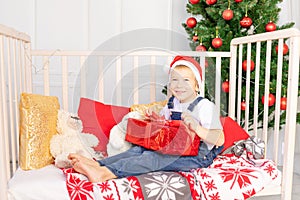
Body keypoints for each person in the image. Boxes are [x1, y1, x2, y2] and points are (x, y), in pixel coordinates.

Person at [68, 55, 225, 183]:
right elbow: (167, 128)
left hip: (198, 155)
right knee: (139, 150)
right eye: (175, 80)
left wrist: (197, 128)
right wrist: (157, 120)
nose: (179, 85)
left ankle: (105, 174)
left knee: (153, 158)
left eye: (186, 80)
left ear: (197, 86)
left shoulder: (204, 106)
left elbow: (219, 139)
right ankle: (99, 164)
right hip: (174, 146)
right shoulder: (173, 104)